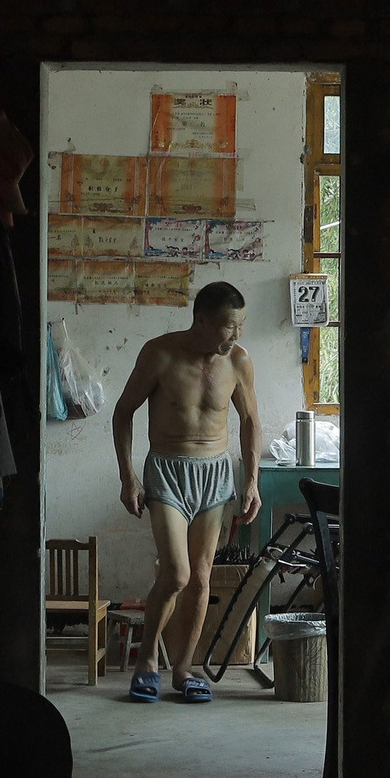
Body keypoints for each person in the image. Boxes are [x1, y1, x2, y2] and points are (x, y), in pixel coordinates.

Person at [111, 281, 263, 702]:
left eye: (240, 326)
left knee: (200, 579)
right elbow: (123, 412)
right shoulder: (159, 353)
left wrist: (252, 480)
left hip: (214, 475)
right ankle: (146, 661)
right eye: (229, 326)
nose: (236, 335)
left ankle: (182, 669)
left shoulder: (238, 361)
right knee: (176, 573)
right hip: (168, 471)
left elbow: (250, 420)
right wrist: (128, 476)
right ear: (201, 320)